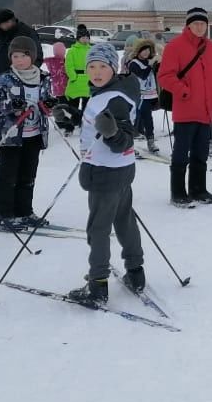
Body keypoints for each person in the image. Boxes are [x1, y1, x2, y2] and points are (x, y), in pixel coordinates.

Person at [53, 42, 144, 307]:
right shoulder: (108, 92)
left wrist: (113, 133)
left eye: (103, 66)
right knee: (124, 221)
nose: (96, 71)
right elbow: (98, 121)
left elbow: (124, 137)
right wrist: (74, 116)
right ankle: (136, 274)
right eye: (92, 66)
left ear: (113, 68)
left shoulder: (114, 98)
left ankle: (98, 286)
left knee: (98, 229)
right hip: (118, 171)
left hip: (106, 172)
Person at [156, 7, 212, 207]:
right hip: (186, 109)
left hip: (206, 110)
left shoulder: (211, 47)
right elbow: (165, 76)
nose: (200, 27)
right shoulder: (175, 46)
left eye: (203, 23)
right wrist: (184, 91)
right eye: (196, 23)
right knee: (181, 153)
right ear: (188, 25)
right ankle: (177, 193)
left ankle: (198, 190)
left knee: (201, 153)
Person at [0, 36, 52, 230]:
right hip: (11, 136)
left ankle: (24, 211)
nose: (19, 60)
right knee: (8, 176)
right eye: (15, 56)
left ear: (32, 57)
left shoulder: (43, 78)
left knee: (27, 175)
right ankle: (3, 215)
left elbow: (47, 101)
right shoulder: (4, 79)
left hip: (34, 135)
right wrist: (11, 105)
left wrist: (50, 104)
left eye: (23, 56)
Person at [125, 37, 162, 155]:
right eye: (144, 50)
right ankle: (128, 144)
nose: (146, 53)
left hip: (149, 95)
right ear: (138, 51)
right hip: (137, 96)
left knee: (148, 120)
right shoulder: (133, 63)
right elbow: (143, 75)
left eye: (148, 50)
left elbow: (157, 73)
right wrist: (151, 64)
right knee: (134, 120)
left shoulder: (149, 61)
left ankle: (151, 142)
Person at [63, 26, 92, 120]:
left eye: (87, 37)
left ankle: (84, 122)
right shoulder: (72, 51)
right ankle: (73, 121)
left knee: (87, 104)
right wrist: (73, 77)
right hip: (76, 80)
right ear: (78, 38)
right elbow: (68, 65)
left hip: (88, 80)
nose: (85, 39)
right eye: (83, 37)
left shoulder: (91, 50)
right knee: (73, 104)